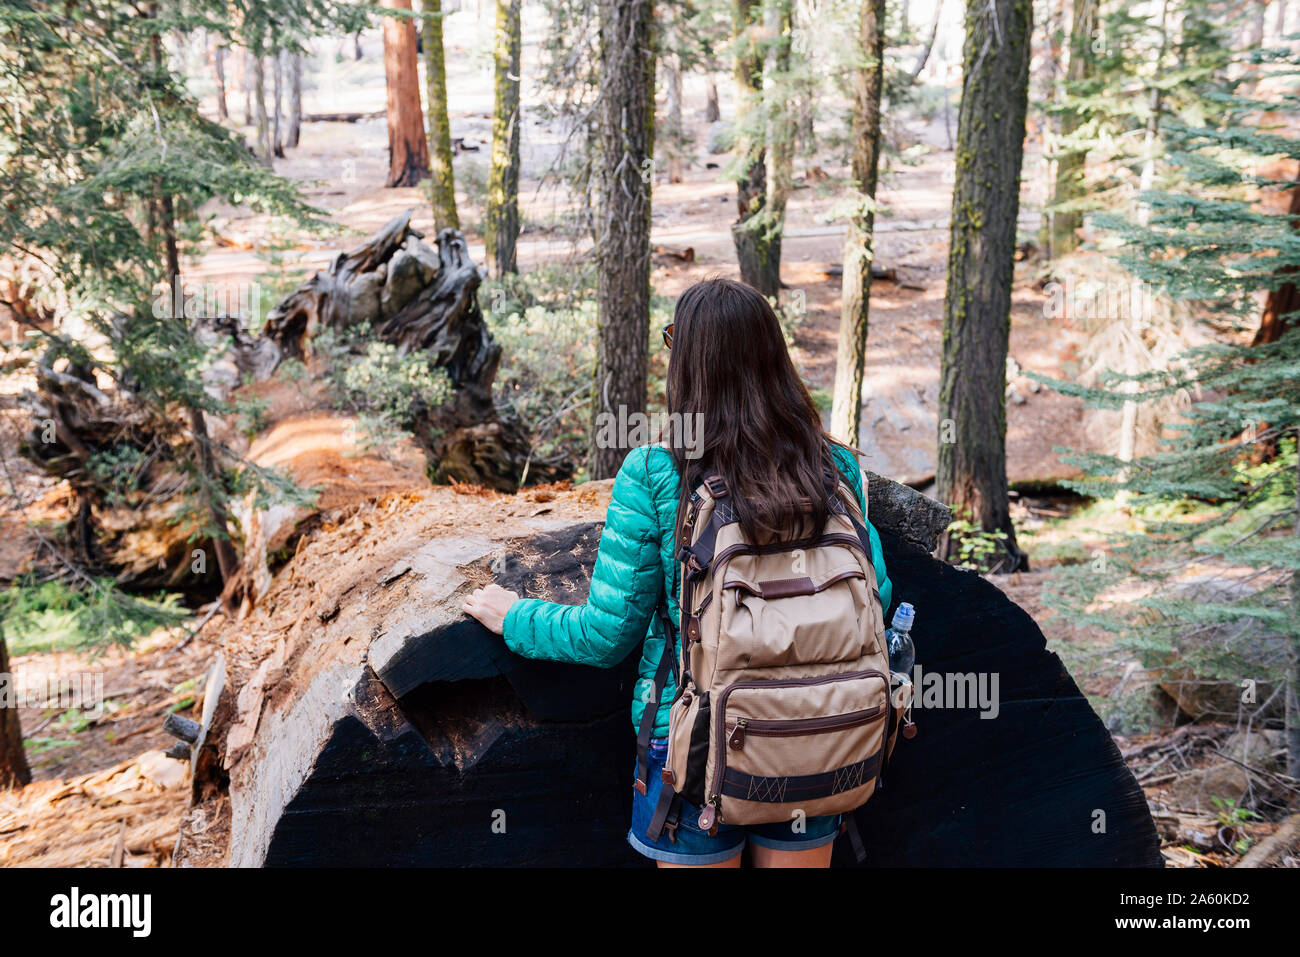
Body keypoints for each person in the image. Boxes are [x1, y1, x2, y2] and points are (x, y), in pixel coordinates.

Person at [463, 277, 892, 868]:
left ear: (687, 364)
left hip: (695, 743)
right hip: (822, 732)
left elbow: (605, 635)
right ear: (774, 358)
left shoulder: (657, 472)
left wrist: (516, 617)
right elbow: (878, 595)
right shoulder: (834, 466)